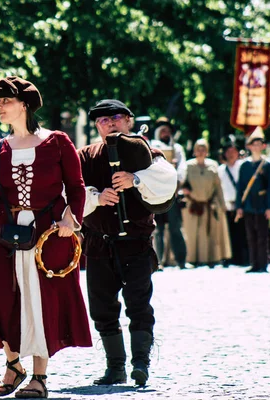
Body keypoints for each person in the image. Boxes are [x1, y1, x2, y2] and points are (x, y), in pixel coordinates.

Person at [0, 76, 91, 399]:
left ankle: (39, 375)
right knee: (0, 299)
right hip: (3, 234)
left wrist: (71, 218)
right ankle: (13, 364)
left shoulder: (57, 142)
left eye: (6, 101)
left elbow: (76, 186)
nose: (0, 107)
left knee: (42, 301)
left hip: (47, 234)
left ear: (24, 105)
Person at [78, 99, 177, 387]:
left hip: (135, 242)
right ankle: (115, 367)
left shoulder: (146, 151)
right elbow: (68, 192)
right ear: (96, 126)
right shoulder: (84, 156)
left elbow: (166, 180)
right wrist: (96, 197)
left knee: (138, 304)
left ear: (129, 121)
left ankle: (141, 364)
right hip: (98, 243)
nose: (110, 122)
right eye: (103, 120)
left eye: (116, 117)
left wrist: (136, 178)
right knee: (102, 307)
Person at [181, 139, 231, 267]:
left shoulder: (213, 165)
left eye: (203, 149)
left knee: (209, 233)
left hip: (209, 204)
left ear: (207, 151)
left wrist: (222, 204)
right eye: (198, 148)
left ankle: (210, 259)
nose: (201, 151)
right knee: (193, 233)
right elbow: (181, 183)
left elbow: (218, 186)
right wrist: (183, 190)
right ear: (194, 151)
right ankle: (192, 259)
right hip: (193, 204)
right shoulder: (188, 166)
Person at [236, 128, 270, 273]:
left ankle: (263, 263)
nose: (256, 147)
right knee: (250, 235)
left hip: (262, 204)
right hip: (248, 204)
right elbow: (240, 187)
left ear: (263, 146)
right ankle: (254, 263)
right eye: (254, 144)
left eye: (259, 144)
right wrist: (239, 206)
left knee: (262, 235)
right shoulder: (244, 166)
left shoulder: (267, 165)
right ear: (249, 146)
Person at [150, 117, 188, 269]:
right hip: (155, 193)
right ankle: (157, 261)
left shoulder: (177, 148)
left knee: (175, 228)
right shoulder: (150, 146)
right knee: (156, 229)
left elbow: (182, 168)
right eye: (162, 130)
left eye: (167, 130)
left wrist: (176, 182)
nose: (165, 133)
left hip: (172, 193)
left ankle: (181, 261)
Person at [217, 139, 249, 267]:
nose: (231, 154)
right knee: (230, 234)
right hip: (227, 206)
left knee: (243, 232)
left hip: (242, 205)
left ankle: (245, 259)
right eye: (228, 151)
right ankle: (232, 258)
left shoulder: (243, 166)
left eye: (233, 151)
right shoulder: (220, 170)